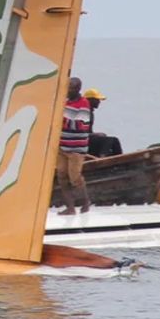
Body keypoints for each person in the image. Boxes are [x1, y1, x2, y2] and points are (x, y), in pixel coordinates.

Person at [57, 76, 91, 215]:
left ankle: (85, 202)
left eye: (70, 88)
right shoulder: (64, 102)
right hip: (63, 145)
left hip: (76, 148)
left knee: (75, 177)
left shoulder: (84, 103)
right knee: (62, 176)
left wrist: (62, 119)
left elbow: (81, 125)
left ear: (77, 89)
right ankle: (70, 207)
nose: (67, 91)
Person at [83, 87, 123, 157]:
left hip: (87, 141)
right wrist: (94, 135)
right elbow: (80, 132)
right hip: (81, 142)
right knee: (112, 140)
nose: (99, 102)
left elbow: (88, 131)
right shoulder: (83, 112)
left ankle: (118, 160)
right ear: (90, 100)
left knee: (111, 142)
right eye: (97, 100)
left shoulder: (89, 112)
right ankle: (102, 157)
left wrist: (94, 134)